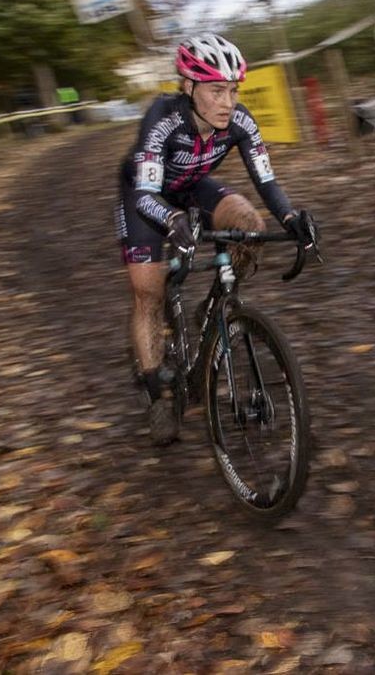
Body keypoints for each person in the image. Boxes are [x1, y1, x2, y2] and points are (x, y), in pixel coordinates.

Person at [115, 33, 316, 445]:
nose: (228, 101)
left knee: (251, 226)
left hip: (193, 188)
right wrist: (170, 219)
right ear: (188, 87)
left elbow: (266, 180)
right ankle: (157, 394)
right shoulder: (162, 119)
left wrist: (291, 216)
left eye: (233, 90)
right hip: (145, 196)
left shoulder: (240, 121)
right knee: (147, 292)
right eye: (216, 90)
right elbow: (145, 194)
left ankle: (211, 307)